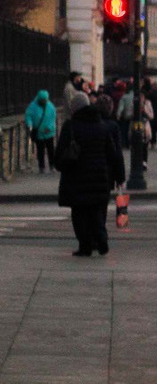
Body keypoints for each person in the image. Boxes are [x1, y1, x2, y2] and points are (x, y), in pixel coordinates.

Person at [54, 95, 123, 257]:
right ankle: (101, 238)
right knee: (97, 211)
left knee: (79, 214)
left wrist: (61, 164)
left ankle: (85, 246)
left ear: (75, 108)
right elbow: (112, 154)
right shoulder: (102, 126)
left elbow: (59, 155)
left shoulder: (70, 126)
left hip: (75, 178)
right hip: (99, 178)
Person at [22, 85, 55, 172]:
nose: (44, 102)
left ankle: (52, 165)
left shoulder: (50, 106)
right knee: (40, 150)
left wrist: (49, 127)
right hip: (39, 132)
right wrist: (30, 124)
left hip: (49, 132)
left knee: (50, 149)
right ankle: (42, 166)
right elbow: (28, 116)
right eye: (43, 100)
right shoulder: (33, 106)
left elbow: (52, 118)